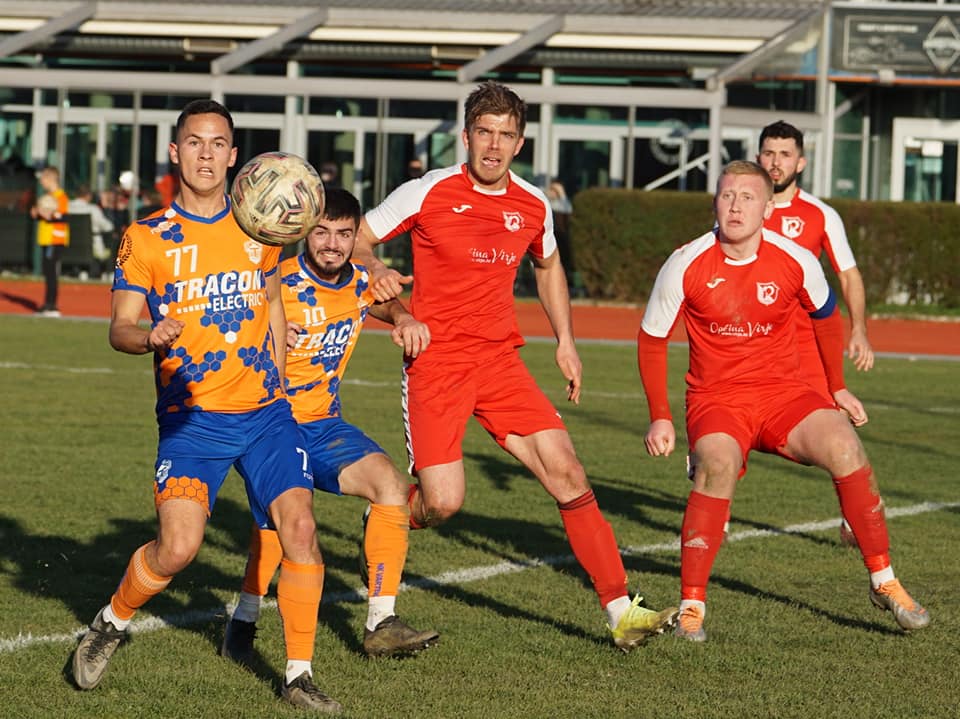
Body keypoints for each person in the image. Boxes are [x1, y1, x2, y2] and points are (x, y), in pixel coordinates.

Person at [351, 80, 678, 652]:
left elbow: (548, 266)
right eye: (484, 133)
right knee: (444, 502)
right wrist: (381, 278)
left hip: (501, 362)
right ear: (467, 136)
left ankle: (621, 610)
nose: (494, 146)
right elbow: (356, 239)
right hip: (437, 363)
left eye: (506, 135)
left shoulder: (532, 204)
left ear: (520, 141)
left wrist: (566, 341)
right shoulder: (428, 191)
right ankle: (388, 518)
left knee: (568, 471)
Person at [69, 99, 341, 713]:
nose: (206, 155)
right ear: (174, 151)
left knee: (299, 527)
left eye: (218, 144)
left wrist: (281, 347)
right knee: (179, 549)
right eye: (195, 142)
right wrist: (150, 337)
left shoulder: (259, 224)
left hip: (266, 413)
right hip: (192, 421)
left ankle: (298, 675)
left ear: (235, 156)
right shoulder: (148, 236)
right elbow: (120, 327)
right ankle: (111, 621)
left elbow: (272, 296)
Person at [637, 160, 930, 642]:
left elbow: (825, 316)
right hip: (717, 400)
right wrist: (660, 418)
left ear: (768, 208)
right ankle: (692, 606)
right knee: (716, 468)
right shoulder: (686, 262)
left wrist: (835, 387)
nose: (735, 206)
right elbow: (651, 340)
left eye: (747, 198)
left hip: (784, 395)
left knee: (846, 447)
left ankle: (884, 581)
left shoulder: (795, 259)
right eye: (727, 196)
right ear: (715, 201)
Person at [221, 188, 439, 661]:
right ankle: (245, 619)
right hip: (269, 425)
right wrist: (269, 333)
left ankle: (381, 621)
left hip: (323, 424)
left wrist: (401, 315)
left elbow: (377, 301)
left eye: (344, 234)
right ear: (304, 232)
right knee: (279, 529)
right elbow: (229, 333)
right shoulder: (275, 282)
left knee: (390, 485)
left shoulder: (360, 279)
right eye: (321, 232)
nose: (332, 244)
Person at [757, 120, 875, 546]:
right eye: (769, 153)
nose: (776, 162)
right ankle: (717, 503)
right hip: (752, 341)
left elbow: (848, 274)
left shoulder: (820, 215)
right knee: (732, 414)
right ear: (758, 157)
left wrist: (858, 329)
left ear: (801, 162)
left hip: (806, 343)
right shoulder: (744, 206)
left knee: (834, 424)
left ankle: (851, 516)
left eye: (785, 154)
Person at [30, 166, 69, 316]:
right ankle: (47, 304)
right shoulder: (48, 196)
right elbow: (46, 216)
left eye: (43, 179)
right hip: (46, 239)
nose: (41, 182)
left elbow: (64, 217)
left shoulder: (60, 197)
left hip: (55, 239)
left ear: (51, 179)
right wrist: (37, 214)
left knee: (52, 272)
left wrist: (49, 215)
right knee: (47, 272)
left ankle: (52, 306)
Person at [68, 185, 115, 276]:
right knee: (112, 242)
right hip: (92, 247)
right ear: (88, 196)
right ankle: (108, 272)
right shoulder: (93, 209)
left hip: (69, 246)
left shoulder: (67, 206)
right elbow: (108, 227)